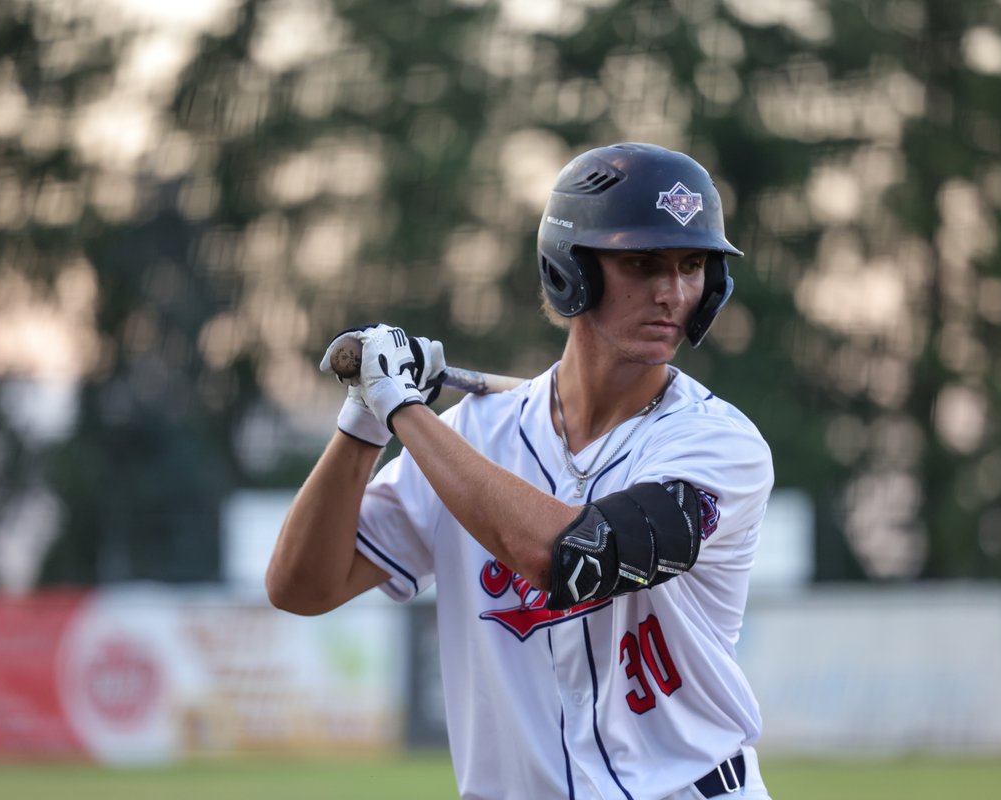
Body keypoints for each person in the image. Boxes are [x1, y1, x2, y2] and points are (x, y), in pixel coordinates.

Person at [266, 142, 775, 799]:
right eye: (642, 262)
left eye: (692, 265)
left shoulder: (718, 444)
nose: (672, 292)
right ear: (572, 269)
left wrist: (403, 408)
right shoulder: (469, 438)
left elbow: (572, 556)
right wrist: (364, 422)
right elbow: (302, 586)